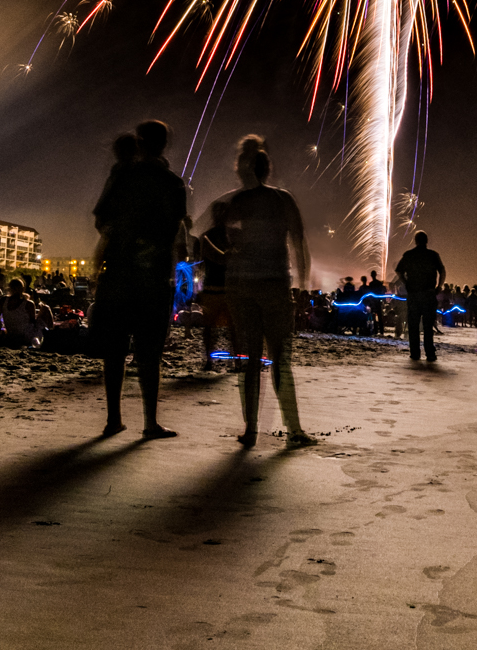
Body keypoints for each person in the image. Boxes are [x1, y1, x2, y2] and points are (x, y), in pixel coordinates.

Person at [202, 136, 312, 447]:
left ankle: (250, 430)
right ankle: (294, 429)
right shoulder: (282, 199)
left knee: (250, 360)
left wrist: (227, 257)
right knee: (280, 360)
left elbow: (203, 239)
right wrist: (302, 285)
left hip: (240, 286)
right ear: (268, 169)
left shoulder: (233, 203)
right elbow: (299, 244)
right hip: (275, 284)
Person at [91, 120, 191, 439]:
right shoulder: (173, 183)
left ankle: (113, 419)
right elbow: (174, 231)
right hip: (154, 277)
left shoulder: (121, 175)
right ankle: (150, 422)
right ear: (163, 145)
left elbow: (101, 218)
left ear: (139, 141)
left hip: (118, 272)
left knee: (115, 350)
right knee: (150, 353)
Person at [394, 231, 444, 363]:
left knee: (413, 325)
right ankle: (429, 352)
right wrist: (439, 286)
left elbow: (398, 271)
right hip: (428, 293)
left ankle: (415, 352)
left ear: (415, 241)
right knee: (428, 325)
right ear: (426, 241)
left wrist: (406, 282)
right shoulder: (433, 255)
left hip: (414, 294)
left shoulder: (409, 255)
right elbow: (442, 271)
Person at [197, 200, 233, 370]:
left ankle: (210, 361)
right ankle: (234, 361)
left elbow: (202, 263)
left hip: (214, 287)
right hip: (223, 287)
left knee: (210, 328)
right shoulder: (233, 236)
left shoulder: (207, 236)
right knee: (229, 327)